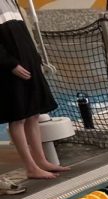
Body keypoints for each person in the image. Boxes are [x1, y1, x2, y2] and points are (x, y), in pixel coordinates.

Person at [1, 0, 69, 181]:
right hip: (11, 68)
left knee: (33, 114)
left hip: (27, 61)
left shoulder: (12, 2)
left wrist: (35, 57)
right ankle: (30, 167)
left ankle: (41, 161)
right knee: (18, 118)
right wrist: (10, 64)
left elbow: (24, 35)